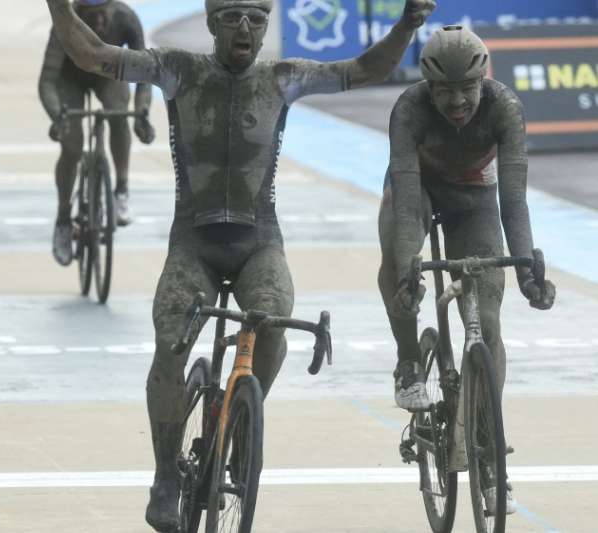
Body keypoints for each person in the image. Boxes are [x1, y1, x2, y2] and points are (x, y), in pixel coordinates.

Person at [43, 0, 435, 529]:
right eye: (233, 18)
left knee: (273, 321)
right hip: (194, 245)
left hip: (258, 244)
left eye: (257, 18)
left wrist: (407, 24)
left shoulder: (283, 77)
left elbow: (363, 69)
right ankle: (163, 475)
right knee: (169, 345)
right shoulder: (177, 68)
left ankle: (240, 419)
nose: (246, 28)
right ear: (211, 23)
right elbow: (91, 54)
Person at [378, 26, 556, 513]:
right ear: (427, 88)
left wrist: (526, 272)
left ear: (485, 81)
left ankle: (489, 450)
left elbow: (512, 201)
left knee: (490, 323)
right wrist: (407, 271)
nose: (457, 102)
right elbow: (408, 200)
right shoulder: (409, 110)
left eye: (467, 90)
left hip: (475, 198)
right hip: (417, 189)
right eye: (445, 92)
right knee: (399, 253)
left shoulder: (505, 109)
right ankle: (409, 360)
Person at [39, 0, 155, 266]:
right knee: (72, 146)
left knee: (118, 113)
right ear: (79, 12)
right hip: (69, 80)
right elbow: (47, 81)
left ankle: (122, 188)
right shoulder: (65, 24)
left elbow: (146, 74)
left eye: (104, 14)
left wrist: (142, 113)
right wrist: (59, 117)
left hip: (108, 74)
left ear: (114, 7)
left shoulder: (126, 18)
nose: (100, 22)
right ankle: (64, 218)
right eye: (92, 16)